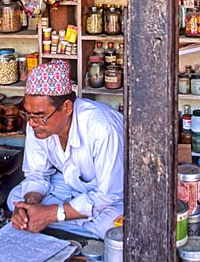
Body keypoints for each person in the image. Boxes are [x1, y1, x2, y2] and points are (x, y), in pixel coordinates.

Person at [7, 61, 124, 240]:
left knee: (111, 227)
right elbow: (37, 174)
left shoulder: (101, 127)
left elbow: (108, 194)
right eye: (28, 114)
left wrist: (53, 214)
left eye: (39, 116)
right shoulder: (36, 124)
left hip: (114, 192)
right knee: (14, 198)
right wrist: (29, 204)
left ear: (67, 108)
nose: (31, 123)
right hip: (70, 184)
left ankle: (52, 220)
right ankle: (58, 219)